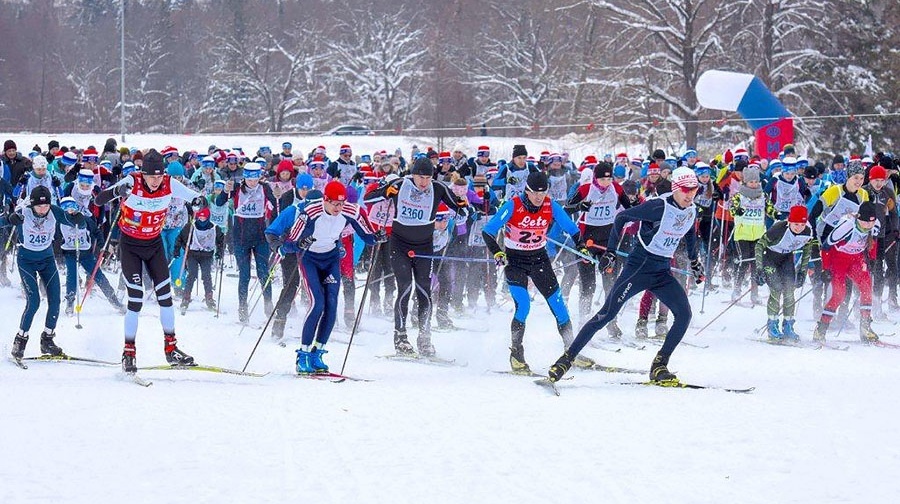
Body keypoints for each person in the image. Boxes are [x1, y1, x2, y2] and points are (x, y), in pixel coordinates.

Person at [547, 167, 705, 384]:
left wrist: (694, 260)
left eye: (694, 190)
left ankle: (659, 366)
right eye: (686, 190)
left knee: (684, 315)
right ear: (676, 188)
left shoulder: (690, 210)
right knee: (607, 315)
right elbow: (622, 217)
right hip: (639, 269)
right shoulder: (657, 207)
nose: (690, 194)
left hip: (661, 272)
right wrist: (611, 252)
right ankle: (566, 359)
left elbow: (689, 232)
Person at [94, 149, 204, 373]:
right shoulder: (131, 181)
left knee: (166, 297)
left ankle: (171, 348)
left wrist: (198, 202)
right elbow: (99, 199)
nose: (155, 181)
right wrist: (116, 190)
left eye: (159, 176)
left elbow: (196, 198)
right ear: (142, 174)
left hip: (153, 246)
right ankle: (129, 352)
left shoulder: (169, 183)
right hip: (131, 246)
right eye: (151, 176)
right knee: (136, 299)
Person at [483, 171, 595, 373]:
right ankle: (516, 355)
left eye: (542, 193)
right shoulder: (513, 205)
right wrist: (498, 252)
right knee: (524, 306)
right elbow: (488, 230)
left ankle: (571, 350)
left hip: (539, 259)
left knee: (559, 305)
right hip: (515, 261)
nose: (538, 197)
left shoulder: (550, 205)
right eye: (535, 193)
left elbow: (572, 228)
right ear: (527, 190)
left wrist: (581, 246)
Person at [268, 181, 382, 374]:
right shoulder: (310, 213)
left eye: (342, 203)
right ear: (325, 200)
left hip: (330, 259)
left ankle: (317, 353)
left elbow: (368, 235)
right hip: (310, 259)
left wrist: (377, 237)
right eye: (334, 204)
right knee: (317, 303)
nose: (338, 208)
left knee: (331, 304)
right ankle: (302, 355)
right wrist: (300, 243)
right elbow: (290, 243)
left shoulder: (351, 211)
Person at [363, 157, 464, 356]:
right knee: (405, 287)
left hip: (424, 247)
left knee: (424, 291)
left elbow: (458, 205)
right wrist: (385, 192)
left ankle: (424, 337)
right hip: (399, 245)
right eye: (420, 177)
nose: (424, 182)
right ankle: (400, 337)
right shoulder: (401, 184)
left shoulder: (438, 188)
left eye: (427, 178)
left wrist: (465, 206)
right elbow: (368, 198)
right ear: (412, 174)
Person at [6, 187, 85, 362]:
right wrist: (11, 218)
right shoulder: (24, 212)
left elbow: (76, 222)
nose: (43, 209)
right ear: (33, 205)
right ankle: (20, 340)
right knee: (33, 302)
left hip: (47, 260)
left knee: (55, 300)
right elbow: (7, 220)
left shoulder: (54, 211)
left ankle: (47, 340)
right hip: (26, 260)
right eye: (39, 206)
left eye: (46, 205)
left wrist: (80, 219)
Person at [216, 162, 277, 322]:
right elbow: (219, 202)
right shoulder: (236, 188)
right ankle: (242, 307)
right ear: (245, 178)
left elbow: (276, 207)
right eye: (249, 179)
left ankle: (268, 303)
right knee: (244, 275)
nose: (252, 182)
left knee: (264, 273)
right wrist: (225, 191)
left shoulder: (264, 188)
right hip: (240, 238)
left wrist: (277, 197)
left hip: (260, 237)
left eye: (255, 179)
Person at [813, 201, 880, 343]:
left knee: (867, 287)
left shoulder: (875, 225)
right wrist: (825, 269)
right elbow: (825, 247)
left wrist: (872, 259)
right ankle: (821, 328)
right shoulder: (846, 227)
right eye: (865, 222)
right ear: (859, 218)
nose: (868, 225)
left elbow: (873, 241)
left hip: (856, 259)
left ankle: (865, 327)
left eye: (871, 222)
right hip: (838, 260)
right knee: (839, 294)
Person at [57, 196, 125, 315]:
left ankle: (114, 301)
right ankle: (70, 303)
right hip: (70, 253)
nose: (70, 211)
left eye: (72, 207)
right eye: (66, 208)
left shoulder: (85, 219)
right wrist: (58, 255)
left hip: (85, 253)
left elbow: (96, 232)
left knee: (98, 276)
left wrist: (102, 245)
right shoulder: (60, 222)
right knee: (71, 277)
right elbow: (56, 238)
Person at [755, 206, 814, 340]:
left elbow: (807, 251)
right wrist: (759, 269)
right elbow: (759, 245)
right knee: (776, 289)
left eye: (802, 224)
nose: (799, 228)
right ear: (789, 221)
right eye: (796, 224)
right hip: (769, 258)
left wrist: (802, 272)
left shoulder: (807, 232)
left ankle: (788, 325)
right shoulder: (778, 229)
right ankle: (772, 325)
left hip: (786, 259)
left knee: (789, 291)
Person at [175, 205, 225, 314]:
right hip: (193, 254)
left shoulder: (214, 227)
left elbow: (221, 240)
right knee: (191, 275)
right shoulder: (190, 226)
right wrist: (177, 250)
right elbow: (180, 238)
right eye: (200, 218)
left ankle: (209, 298)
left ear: (208, 217)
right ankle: (186, 298)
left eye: (204, 218)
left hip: (207, 255)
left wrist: (220, 253)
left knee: (206, 275)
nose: (202, 220)